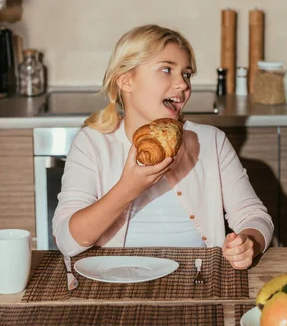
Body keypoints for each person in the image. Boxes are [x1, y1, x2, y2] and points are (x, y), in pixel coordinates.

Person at [53, 24, 273, 270]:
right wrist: (129, 187)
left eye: (187, 74)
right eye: (167, 70)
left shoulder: (211, 141)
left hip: (197, 278)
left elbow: (253, 215)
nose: (183, 85)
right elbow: (67, 241)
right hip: (116, 281)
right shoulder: (92, 143)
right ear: (126, 80)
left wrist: (249, 242)